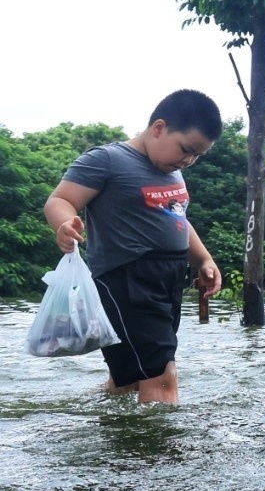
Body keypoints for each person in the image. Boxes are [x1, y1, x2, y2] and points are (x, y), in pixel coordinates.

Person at [42, 89, 224, 404]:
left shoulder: (173, 171)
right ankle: (162, 453)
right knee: (161, 375)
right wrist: (64, 224)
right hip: (126, 279)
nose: (189, 160)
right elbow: (60, 199)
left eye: (197, 155)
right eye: (185, 149)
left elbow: (178, 219)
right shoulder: (108, 160)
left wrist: (203, 259)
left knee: (129, 379)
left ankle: (83, 419)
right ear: (159, 128)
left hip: (166, 280)